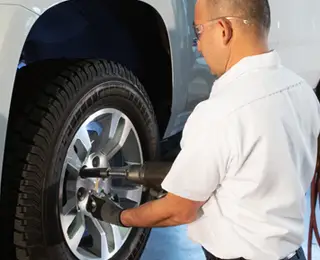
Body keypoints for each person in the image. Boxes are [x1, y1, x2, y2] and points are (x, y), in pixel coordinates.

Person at [86, 0, 320, 259]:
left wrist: (118, 215)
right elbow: (262, 165)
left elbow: (178, 211)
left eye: (198, 32)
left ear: (223, 30)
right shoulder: (301, 91)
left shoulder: (219, 113)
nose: (197, 45)